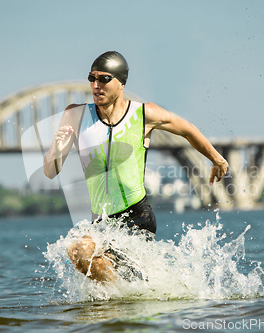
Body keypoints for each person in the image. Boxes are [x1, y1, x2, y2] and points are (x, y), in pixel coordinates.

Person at [43, 51, 229, 283]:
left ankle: (119, 303)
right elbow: (50, 172)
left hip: (137, 215)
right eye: (92, 78)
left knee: (91, 257)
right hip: (101, 221)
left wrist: (217, 158)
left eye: (104, 79)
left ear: (121, 83)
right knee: (79, 253)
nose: (95, 85)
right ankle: (121, 301)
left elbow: (187, 129)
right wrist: (56, 151)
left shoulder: (143, 114)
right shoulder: (75, 116)